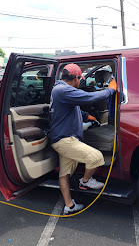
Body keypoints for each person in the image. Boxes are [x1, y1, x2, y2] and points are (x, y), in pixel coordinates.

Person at [50, 63, 117, 214]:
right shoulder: (64, 90)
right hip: (65, 140)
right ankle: (85, 182)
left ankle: (69, 206)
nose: (80, 81)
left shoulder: (59, 89)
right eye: (80, 78)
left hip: (61, 138)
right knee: (96, 157)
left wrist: (87, 116)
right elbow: (89, 97)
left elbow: (71, 107)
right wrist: (110, 90)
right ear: (75, 78)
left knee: (65, 174)